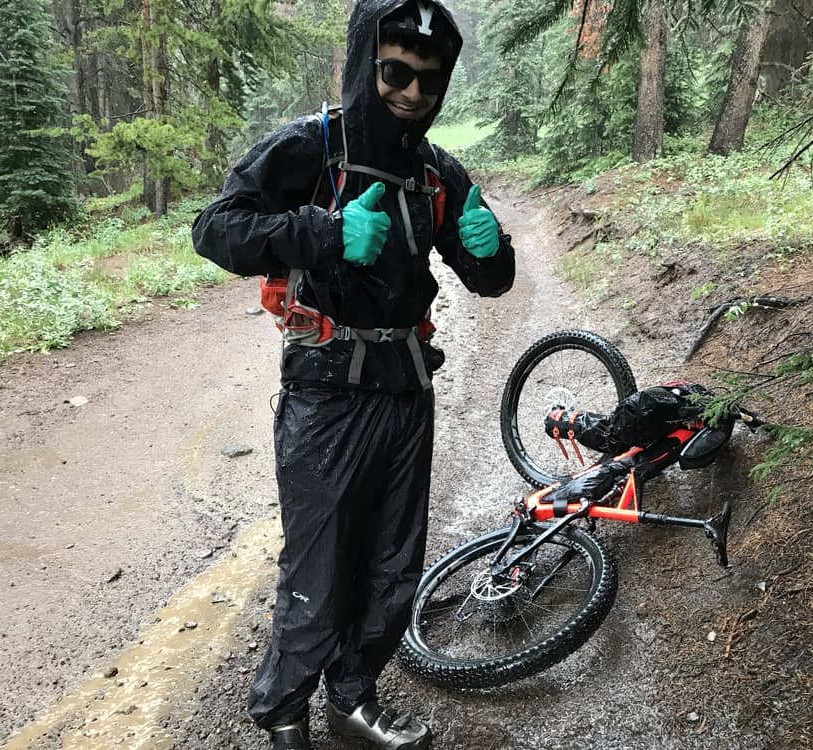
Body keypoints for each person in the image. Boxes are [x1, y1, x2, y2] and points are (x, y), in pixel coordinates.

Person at [191, 1, 515, 748]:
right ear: (366, 61)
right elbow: (215, 229)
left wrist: (493, 249)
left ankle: (353, 696)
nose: (410, 93)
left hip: (406, 388)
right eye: (395, 72)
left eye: (428, 82)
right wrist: (324, 234)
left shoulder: (436, 171)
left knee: (394, 565)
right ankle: (282, 711)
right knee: (321, 567)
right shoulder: (312, 147)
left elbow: (488, 280)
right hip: (325, 392)